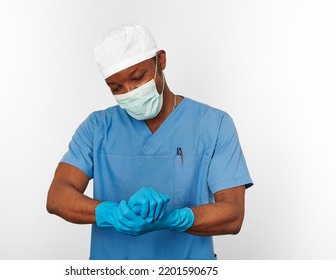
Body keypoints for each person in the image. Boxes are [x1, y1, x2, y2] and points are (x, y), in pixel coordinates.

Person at [46, 23, 253, 260]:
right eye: (116, 87)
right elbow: (57, 196)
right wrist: (110, 213)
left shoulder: (213, 124)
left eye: (138, 77)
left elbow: (233, 214)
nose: (130, 91)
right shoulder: (98, 128)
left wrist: (173, 219)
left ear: (160, 61)